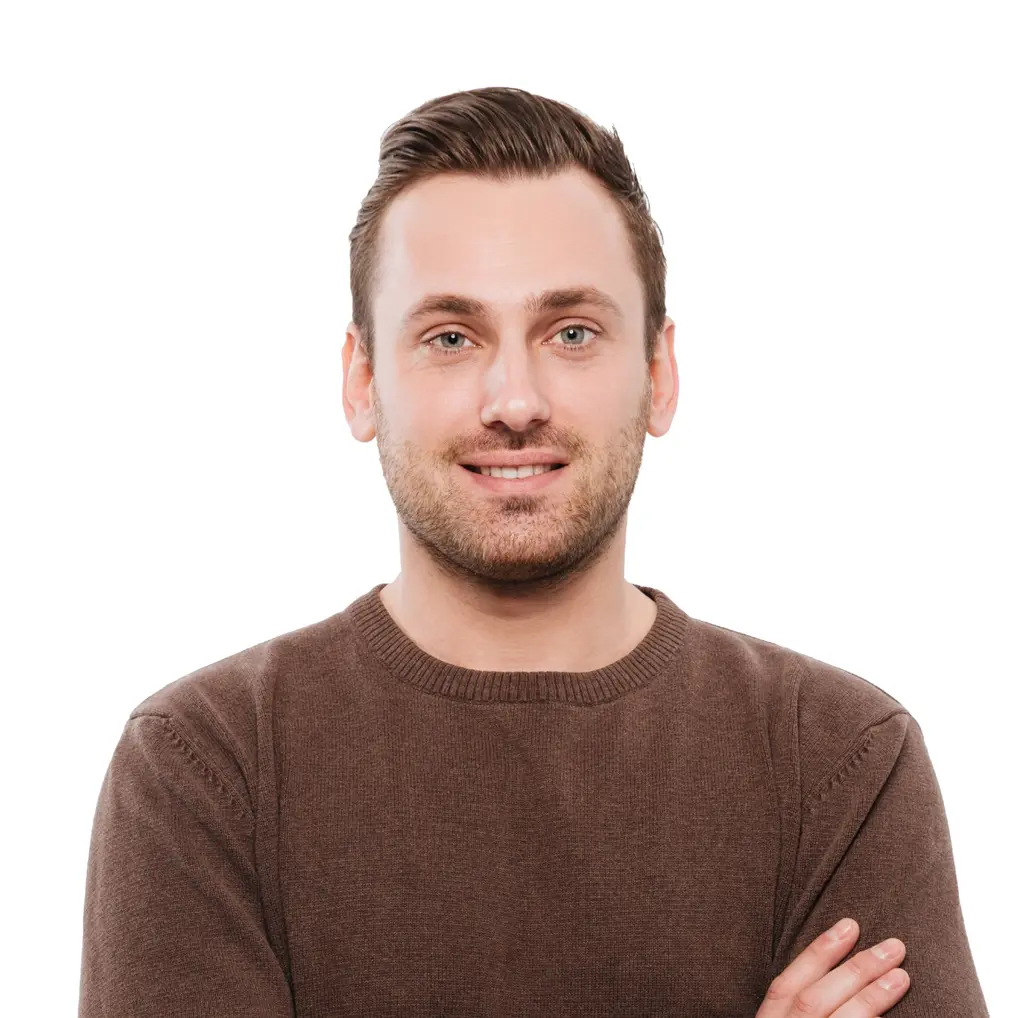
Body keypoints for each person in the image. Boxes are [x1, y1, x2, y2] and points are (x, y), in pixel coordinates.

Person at [78, 87, 988, 1017]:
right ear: (361, 382)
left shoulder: (838, 760)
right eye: (450, 336)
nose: (514, 401)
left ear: (659, 373)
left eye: (572, 333)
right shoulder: (207, 766)